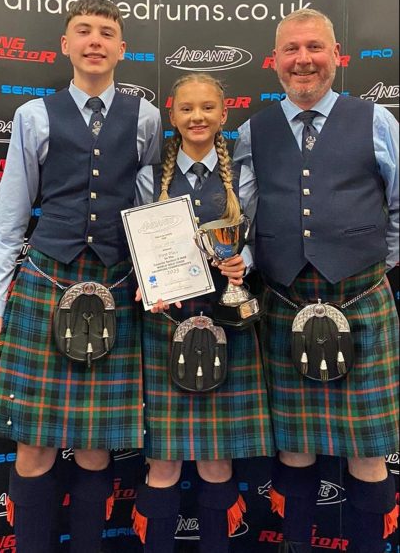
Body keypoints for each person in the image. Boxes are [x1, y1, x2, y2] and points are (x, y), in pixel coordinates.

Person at [0, 0, 161, 553]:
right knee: (33, 443)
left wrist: (157, 285)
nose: (95, 40)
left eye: (107, 32)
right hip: (44, 282)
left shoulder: (148, 118)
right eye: (83, 30)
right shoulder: (34, 115)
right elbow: (8, 220)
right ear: (66, 44)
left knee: (96, 445)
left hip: (116, 284)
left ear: (122, 48)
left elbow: (150, 212)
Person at [234, 8, 399, 553]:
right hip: (284, 300)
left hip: (361, 298)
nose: (303, 59)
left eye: (315, 48)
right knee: (294, 449)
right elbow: (247, 219)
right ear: (275, 60)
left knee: (368, 450)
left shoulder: (376, 121)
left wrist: (370, 264)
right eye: (292, 50)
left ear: (337, 56)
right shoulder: (251, 131)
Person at [131, 73, 275, 553]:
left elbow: (256, 240)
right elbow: (140, 246)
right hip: (165, 323)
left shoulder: (245, 177)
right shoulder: (149, 179)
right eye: (187, 109)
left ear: (223, 114)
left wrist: (242, 262)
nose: (197, 117)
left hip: (228, 320)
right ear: (171, 115)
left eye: (208, 108)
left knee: (217, 462)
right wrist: (149, 280)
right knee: (164, 463)